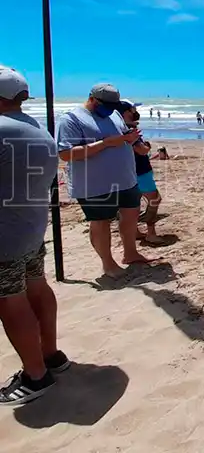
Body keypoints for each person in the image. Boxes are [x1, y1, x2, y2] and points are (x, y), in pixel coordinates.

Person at [0, 68, 70, 406]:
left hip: (5, 237)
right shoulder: (37, 130)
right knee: (37, 288)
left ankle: (35, 375)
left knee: (11, 302)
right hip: (30, 229)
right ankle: (51, 354)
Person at [56, 83, 149, 278]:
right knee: (101, 222)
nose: (111, 110)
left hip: (125, 178)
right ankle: (108, 264)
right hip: (94, 184)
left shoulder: (114, 115)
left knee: (131, 214)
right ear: (92, 99)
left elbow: (123, 137)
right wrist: (105, 144)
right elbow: (66, 154)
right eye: (107, 105)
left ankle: (130, 253)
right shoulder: (71, 119)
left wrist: (133, 140)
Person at [119, 101, 164, 244]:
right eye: (133, 110)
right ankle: (151, 233)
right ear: (126, 112)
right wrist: (147, 147)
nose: (135, 112)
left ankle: (136, 231)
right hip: (140, 170)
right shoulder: (128, 130)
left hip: (127, 170)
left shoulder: (116, 128)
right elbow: (141, 150)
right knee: (154, 199)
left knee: (134, 203)